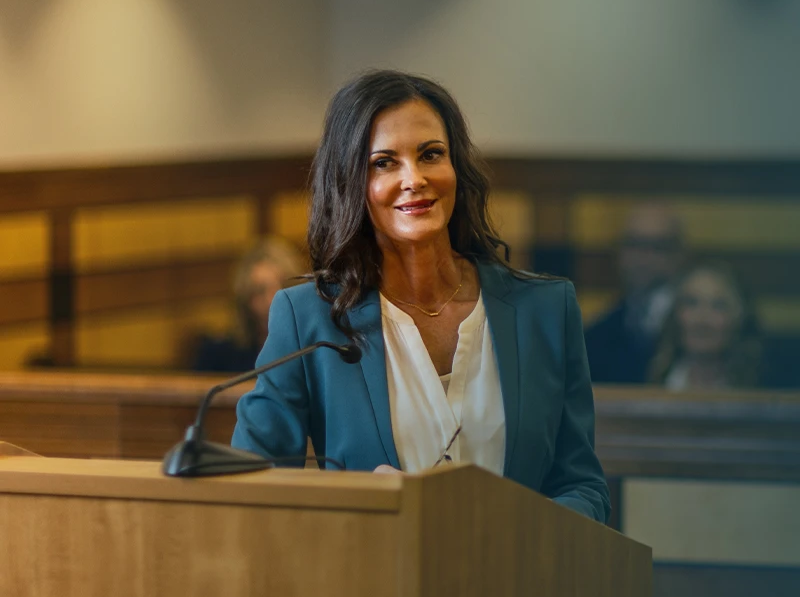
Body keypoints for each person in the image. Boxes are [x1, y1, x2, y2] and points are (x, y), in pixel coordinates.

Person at [232, 70, 609, 522]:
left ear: (456, 169)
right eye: (384, 163)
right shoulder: (308, 318)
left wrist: (528, 534)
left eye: (431, 154)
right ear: (351, 183)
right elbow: (255, 484)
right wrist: (351, 500)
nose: (414, 178)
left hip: (520, 581)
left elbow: (581, 484)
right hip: (374, 582)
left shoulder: (546, 310)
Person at [584, 203, 684, 383]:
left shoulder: (703, 329)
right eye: (633, 245)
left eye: (657, 247)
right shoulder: (595, 337)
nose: (643, 258)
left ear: (678, 254)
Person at [191, 235, 305, 372]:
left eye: (282, 286)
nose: (271, 300)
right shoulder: (219, 356)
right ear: (245, 301)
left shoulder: (315, 349)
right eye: (259, 291)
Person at [649, 261, 764, 390]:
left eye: (718, 306)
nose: (702, 319)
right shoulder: (648, 380)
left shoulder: (763, 389)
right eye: (691, 303)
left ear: (740, 316)